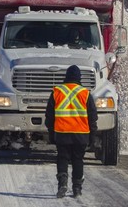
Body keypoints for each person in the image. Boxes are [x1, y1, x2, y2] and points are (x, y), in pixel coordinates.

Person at [45, 65, 98, 198]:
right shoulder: (85, 93)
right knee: (78, 159)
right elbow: (93, 117)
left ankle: (62, 183)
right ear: (79, 77)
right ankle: (77, 188)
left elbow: (49, 116)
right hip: (81, 134)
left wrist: (51, 133)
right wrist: (93, 136)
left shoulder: (57, 91)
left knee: (62, 157)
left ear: (66, 76)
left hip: (62, 133)